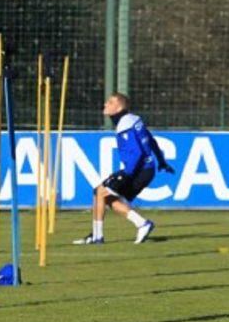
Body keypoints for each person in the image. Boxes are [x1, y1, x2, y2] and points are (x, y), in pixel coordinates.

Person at [73, 93, 171, 245]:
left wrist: (127, 174)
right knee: (107, 197)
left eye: (110, 102)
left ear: (118, 107)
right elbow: (151, 141)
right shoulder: (134, 120)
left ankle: (100, 236)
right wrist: (161, 161)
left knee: (100, 192)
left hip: (138, 169)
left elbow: (137, 152)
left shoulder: (125, 125)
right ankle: (139, 224)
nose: (105, 104)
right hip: (146, 170)